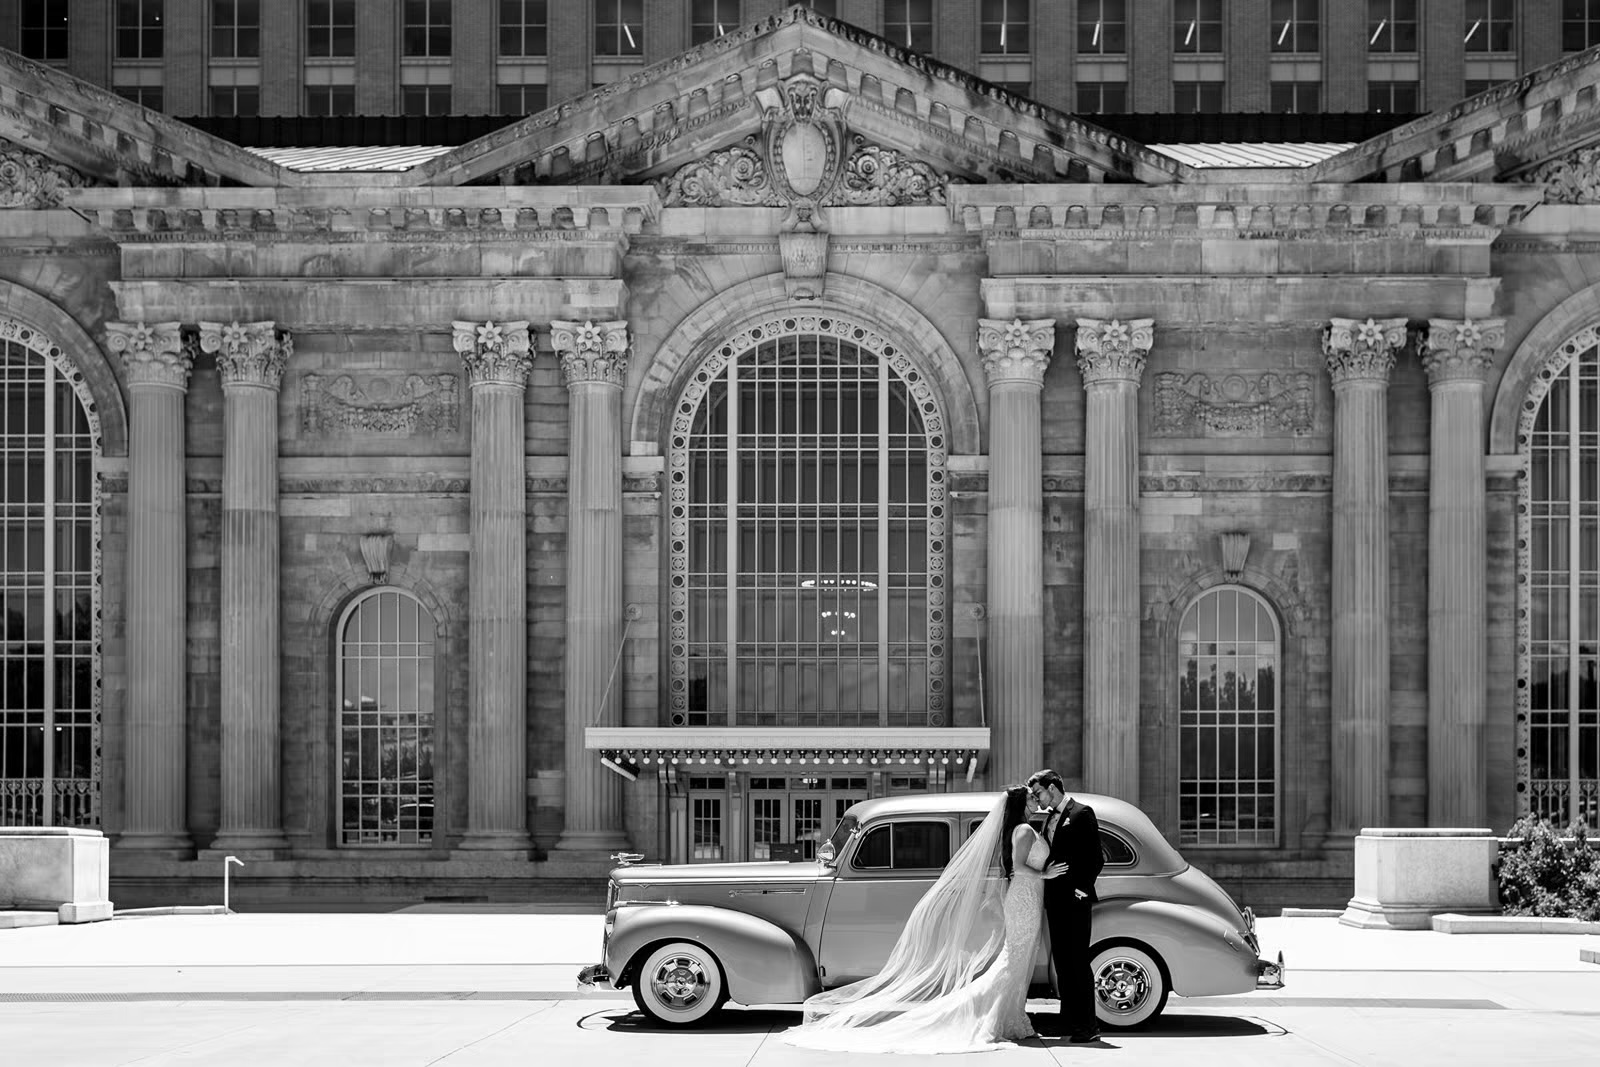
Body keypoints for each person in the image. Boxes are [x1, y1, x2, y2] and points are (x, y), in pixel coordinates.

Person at [782, 785, 1067, 1054]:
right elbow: (1018, 867)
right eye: (1031, 797)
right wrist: (1045, 875)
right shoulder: (1023, 829)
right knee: (1013, 961)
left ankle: (1012, 1016)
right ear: (1021, 803)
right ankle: (998, 1016)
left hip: (1028, 899)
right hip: (1024, 898)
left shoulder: (1025, 828)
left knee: (1018, 961)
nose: (1036, 800)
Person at [1027, 768, 1104, 1043]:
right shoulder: (1048, 819)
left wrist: (1081, 891)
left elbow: (1096, 858)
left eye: (1038, 793)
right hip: (1055, 903)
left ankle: (1089, 1026)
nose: (1037, 799)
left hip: (1075, 901)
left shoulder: (1082, 813)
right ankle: (1069, 1022)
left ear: (1052, 787)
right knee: (1062, 964)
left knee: (1078, 963)